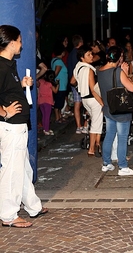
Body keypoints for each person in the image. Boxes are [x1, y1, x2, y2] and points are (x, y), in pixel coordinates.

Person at [0, 25, 48, 228]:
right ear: (11, 43)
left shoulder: (9, 65)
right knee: (12, 171)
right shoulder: (1, 66)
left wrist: (21, 85)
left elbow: (6, 90)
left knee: (23, 169)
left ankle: (33, 206)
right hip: (11, 126)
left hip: (19, 126)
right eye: (19, 40)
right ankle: (8, 215)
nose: (22, 44)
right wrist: (4, 112)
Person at [97, 46, 133, 175]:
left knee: (109, 135)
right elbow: (131, 88)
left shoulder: (100, 70)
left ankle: (106, 163)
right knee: (122, 137)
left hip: (108, 108)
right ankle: (123, 167)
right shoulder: (118, 71)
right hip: (121, 110)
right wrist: (125, 72)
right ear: (119, 58)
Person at [71, 45, 103, 158]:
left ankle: (97, 144)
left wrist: (81, 86)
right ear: (82, 58)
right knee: (96, 123)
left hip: (84, 99)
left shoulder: (78, 68)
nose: (91, 56)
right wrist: (101, 102)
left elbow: (72, 81)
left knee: (95, 121)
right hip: (93, 99)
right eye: (88, 55)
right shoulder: (89, 69)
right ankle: (92, 148)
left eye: (91, 54)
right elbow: (94, 89)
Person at [67, 34, 88, 134]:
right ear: (80, 42)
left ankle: (78, 126)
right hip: (79, 81)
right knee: (85, 103)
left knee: (77, 103)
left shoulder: (71, 53)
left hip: (73, 82)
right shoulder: (79, 54)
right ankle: (84, 125)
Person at [51, 43, 69, 124]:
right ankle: (57, 118)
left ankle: (60, 116)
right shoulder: (59, 62)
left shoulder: (54, 60)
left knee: (60, 102)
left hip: (61, 85)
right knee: (58, 102)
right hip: (60, 85)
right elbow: (56, 73)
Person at [37, 69, 59, 135]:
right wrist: (57, 84)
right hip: (48, 101)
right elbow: (55, 91)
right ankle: (46, 130)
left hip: (41, 101)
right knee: (47, 116)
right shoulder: (49, 84)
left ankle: (45, 128)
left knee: (44, 115)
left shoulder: (40, 81)